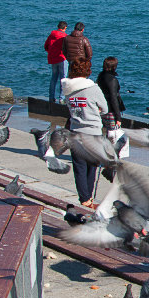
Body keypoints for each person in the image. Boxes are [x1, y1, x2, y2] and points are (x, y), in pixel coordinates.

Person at [62, 75, 109, 207]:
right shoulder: (93, 89)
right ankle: (88, 199)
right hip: (93, 133)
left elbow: (70, 108)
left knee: (79, 168)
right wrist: (93, 111)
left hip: (76, 131)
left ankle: (85, 198)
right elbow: (105, 109)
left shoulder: (67, 90)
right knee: (92, 167)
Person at [44, 20, 68, 102]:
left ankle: (51, 97)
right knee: (63, 78)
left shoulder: (51, 35)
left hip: (53, 58)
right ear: (65, 28)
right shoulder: (65, 36)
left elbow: (46, 46)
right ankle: (62, 98)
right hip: (62, 58)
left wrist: (51, 53)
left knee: (53, 78)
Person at [96, 56, 125, 122]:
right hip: (110, 110)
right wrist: (118, 117)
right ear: (114, 67)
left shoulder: (100, 76)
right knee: (113, 131)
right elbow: (113, 98)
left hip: (101, 107)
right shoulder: (112, 80)